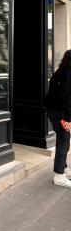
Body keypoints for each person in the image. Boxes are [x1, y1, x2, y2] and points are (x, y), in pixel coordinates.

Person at [46, 50, 71, 188]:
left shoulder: (59, 72)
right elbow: (66, 99)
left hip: (53, 111)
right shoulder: (68, 74)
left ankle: (63, 169)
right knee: (64, 140)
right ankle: (59, 175)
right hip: (61, 113)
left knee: (63, 139)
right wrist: (68, 119)